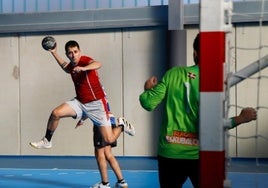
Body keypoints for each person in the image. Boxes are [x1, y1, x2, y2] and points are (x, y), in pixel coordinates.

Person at [139, 33, 257, 188]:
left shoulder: (173, 73)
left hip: (170, 153)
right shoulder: (215, 82)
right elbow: (215, 125)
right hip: (201, 155)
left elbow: (148, 103)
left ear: (195, 53)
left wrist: (147, 90)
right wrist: (240, 118)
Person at [30, 39, 135, 149]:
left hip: (97, 105)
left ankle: (122, 125)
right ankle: (47, 140)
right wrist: (54, 53)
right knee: (56, 113)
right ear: (67, 54)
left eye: (75, 52)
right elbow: (66, 67)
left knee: (109, 139)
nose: (73, 55)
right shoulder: (71, 66)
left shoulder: (85, 60)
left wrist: (84, 68)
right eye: (70, 53)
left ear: (79, 51)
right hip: (80, 102)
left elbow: (98, 64)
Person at [76, 111, 129, 188]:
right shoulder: (103, 98)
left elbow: (89, 109)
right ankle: (122, 182)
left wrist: (82, 120)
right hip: (111, 120)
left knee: (99, 154)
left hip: (101, 122)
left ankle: (105, 183)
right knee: (108, 154)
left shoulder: (93, 99)